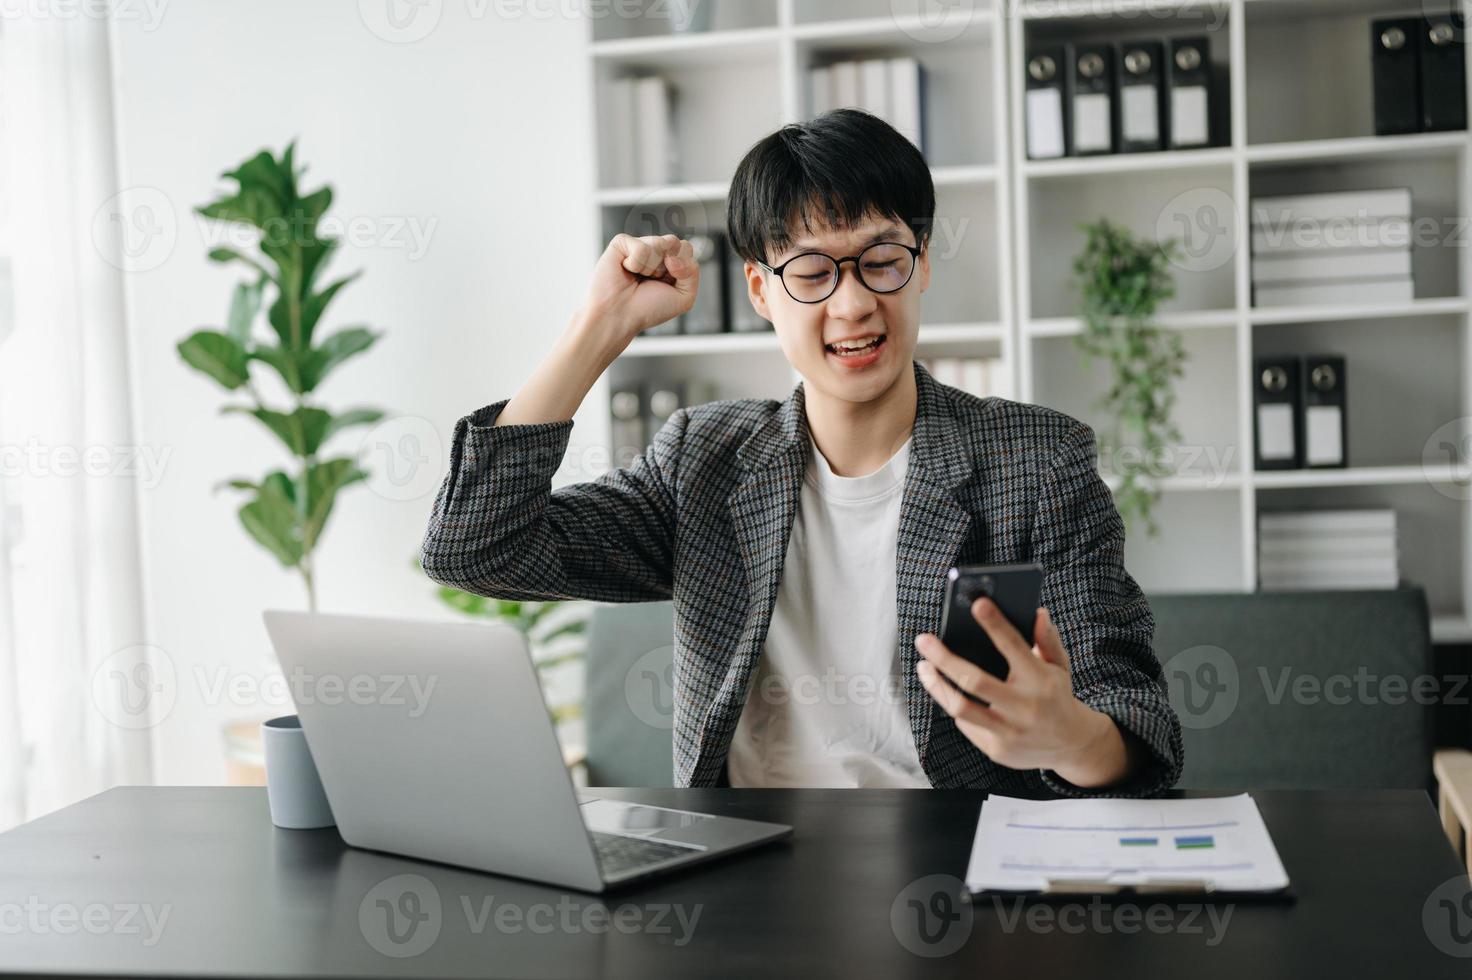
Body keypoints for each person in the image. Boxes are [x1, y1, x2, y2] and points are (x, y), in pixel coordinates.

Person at [420, 108, 1182, 795]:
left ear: (922, 262)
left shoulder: (1035, 463)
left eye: (883, 260)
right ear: (759, 290)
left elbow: (1138, 722)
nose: (853, 304)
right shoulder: (704, 461)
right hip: (747, 869)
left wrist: (1070, 738)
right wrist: (598, 330)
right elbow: (475, 549)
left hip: (957, 868)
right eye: (812, 273)